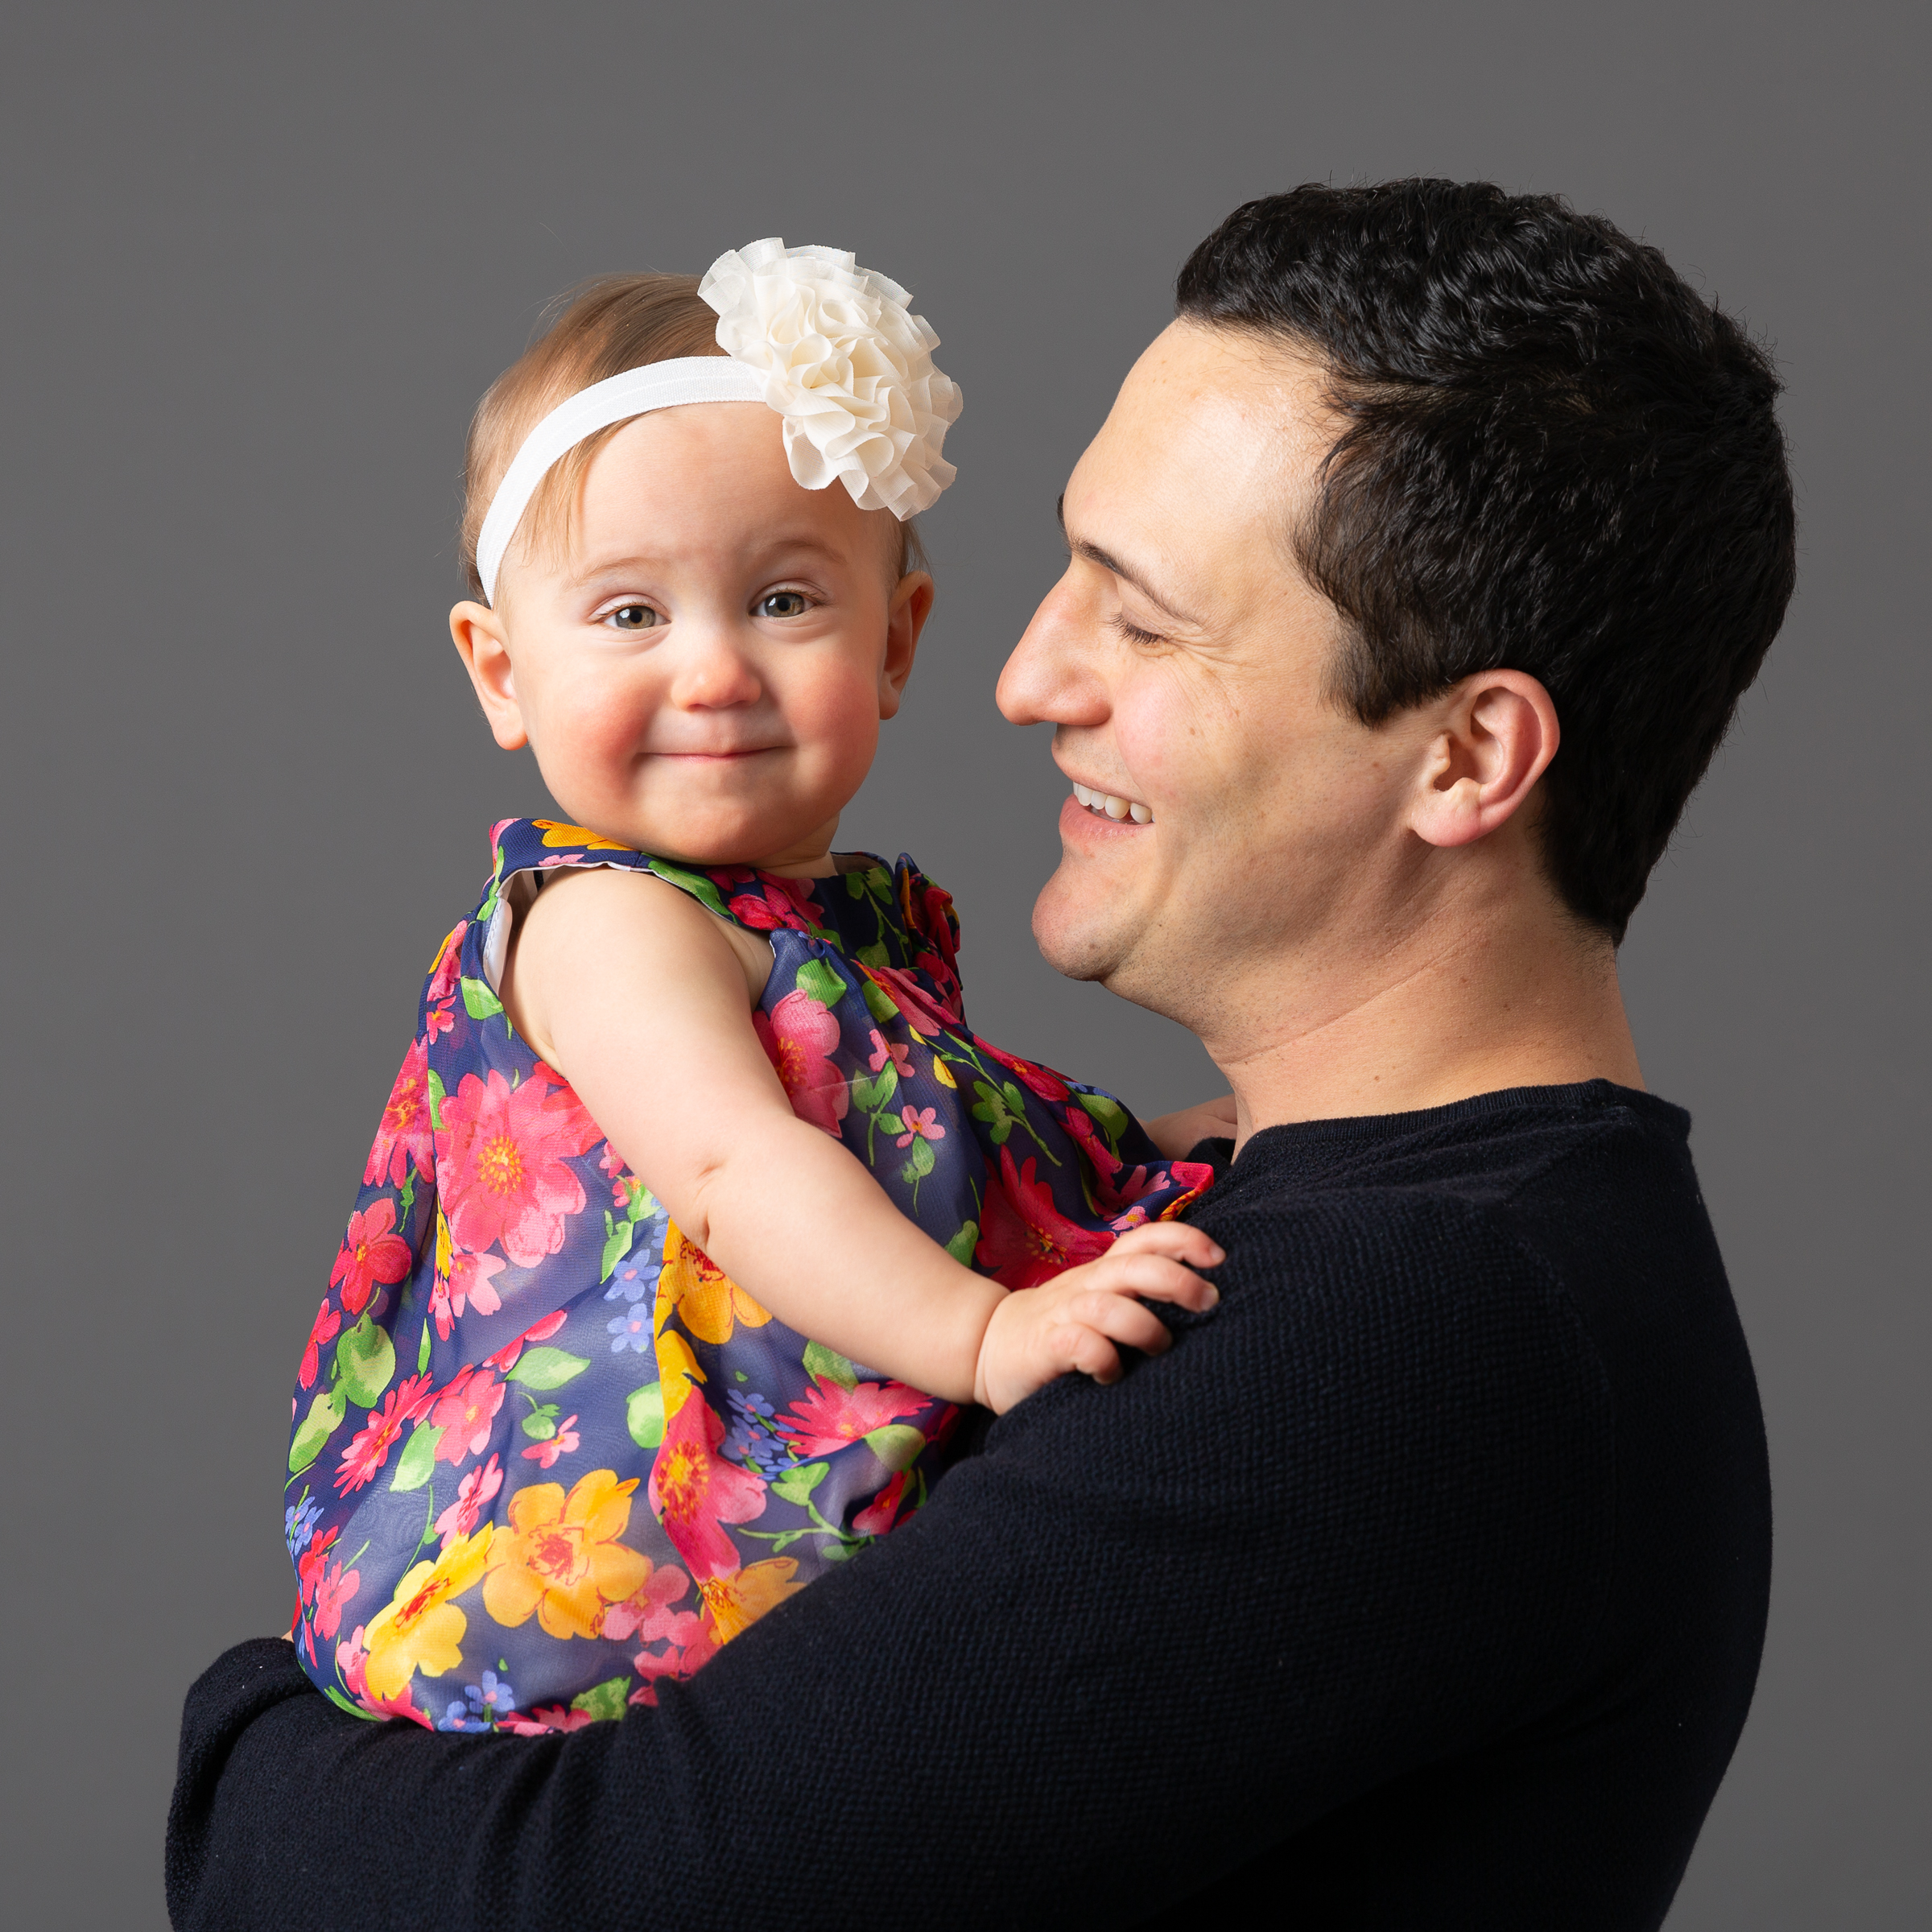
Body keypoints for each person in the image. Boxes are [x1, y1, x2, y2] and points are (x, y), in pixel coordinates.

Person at [168, 180, 1791, 1930]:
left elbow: (581, 1898)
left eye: (1143, 618)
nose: (1025, 679)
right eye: (1067, 572)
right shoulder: (1371, 1233)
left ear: (1467, 759)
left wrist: (244, 1739)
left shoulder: (1408, 1333)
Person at [282, 237, 1224, 1734]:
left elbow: (945, 1157)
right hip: (609, 1531)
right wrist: (986, 1337)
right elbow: (734, 1171)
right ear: (501, 670)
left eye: (784, 602)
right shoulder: (599, 922)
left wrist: (1202, 1138)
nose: (714, 671)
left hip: (781, 1487)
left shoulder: (830, 933)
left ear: (897, 641)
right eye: (630, 615)